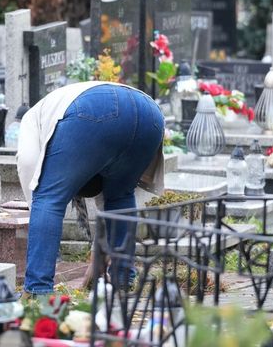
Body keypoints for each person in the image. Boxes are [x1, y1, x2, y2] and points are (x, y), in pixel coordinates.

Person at [16, 81, 165, 295]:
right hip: (150, 114)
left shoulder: (31, 118)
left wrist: (39, 209)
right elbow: (109, 205)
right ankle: (123, 278)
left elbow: (29, 167)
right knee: (120, 196)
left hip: (93, 110)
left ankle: (37, 291)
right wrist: (98, 254)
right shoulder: (58, 117)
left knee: (49, 198)